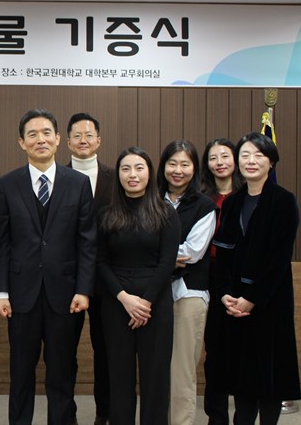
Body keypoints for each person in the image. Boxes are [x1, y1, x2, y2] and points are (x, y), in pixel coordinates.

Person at [0, 108, 97, 425]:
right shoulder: (8, 184)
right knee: (20, 372)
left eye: (46, 133)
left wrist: (84, 289)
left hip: (65, 295)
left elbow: (87, 242)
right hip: (21, 296)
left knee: (62, 371)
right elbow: (0, 243)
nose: (40, 139)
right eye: (32, 134)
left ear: (58, 139)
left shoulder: (78, 184)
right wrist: (0, 292)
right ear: (21, 142)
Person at [213, 132, 300, 425]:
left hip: (269, 303)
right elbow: (223, 253)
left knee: (270, 378)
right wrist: (225, 292)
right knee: (242, 376)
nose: (251, 161)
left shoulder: (284, 201)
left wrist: (251, 299)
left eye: (258, 155)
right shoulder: (234, 202)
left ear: (271, 162)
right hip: (234, 304)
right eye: (245, 155)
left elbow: (278, 259)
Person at [97, 147, 179, 425]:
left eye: (139, 168)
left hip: (155, 302)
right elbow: (100, 262)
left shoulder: (166, 212)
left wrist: (145, 302)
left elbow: (168, 262)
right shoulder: (106, 214)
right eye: (126, 168)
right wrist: (125, 299)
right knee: (119, 376)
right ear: (118, 174)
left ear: (149, 172)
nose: (132, 175)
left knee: (155, 376)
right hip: (116, 301)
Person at [157, 140, 217, 425]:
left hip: (188, 294)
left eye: (185, 164)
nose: (177, 170)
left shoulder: (204, 206)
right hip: (153, 295)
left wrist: (157, 255)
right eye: (172, 163)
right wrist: (167, 255)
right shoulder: (151, 199)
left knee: (181, 372)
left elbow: (192, 253)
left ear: (195, 169)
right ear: (163, 166)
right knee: (156, 369)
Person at [65, 112, 113, 425]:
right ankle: (65, 414)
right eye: (77, 135)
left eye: (89, 134)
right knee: (64, 353)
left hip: (109, 281)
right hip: (67, 279)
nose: (84, 140)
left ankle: (104, 415)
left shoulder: (116, 176)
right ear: (66, 141)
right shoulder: (57, 176)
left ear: (99, 140)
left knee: (106, 354)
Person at [200, 138, 242, 425]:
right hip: (209, 279)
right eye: (213, 158)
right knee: (213, 352)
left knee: (241, 351)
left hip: (242, 282)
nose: (220, 162)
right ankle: (216, 416)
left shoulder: (249, 194)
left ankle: (244, 413)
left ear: (236, 160)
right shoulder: (202, 196)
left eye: (225, 156)